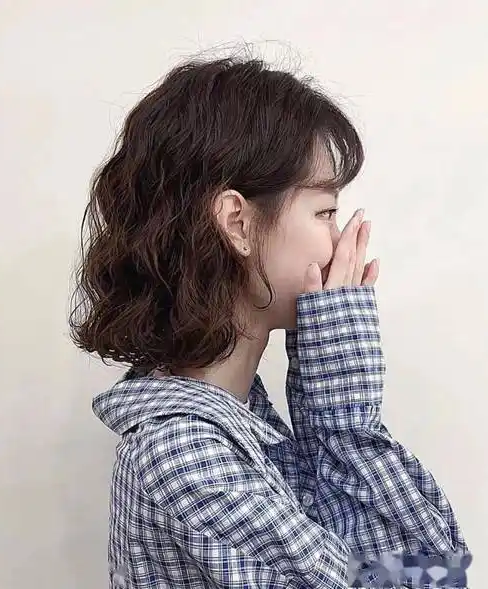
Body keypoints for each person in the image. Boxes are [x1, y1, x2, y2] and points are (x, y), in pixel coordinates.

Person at [69, 55, 470, 588]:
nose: (340, 241)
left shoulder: (236, 423)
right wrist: (342, 406)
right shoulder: (186, 456)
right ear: (237, 224)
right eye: (326, 212)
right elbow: (430, 581)